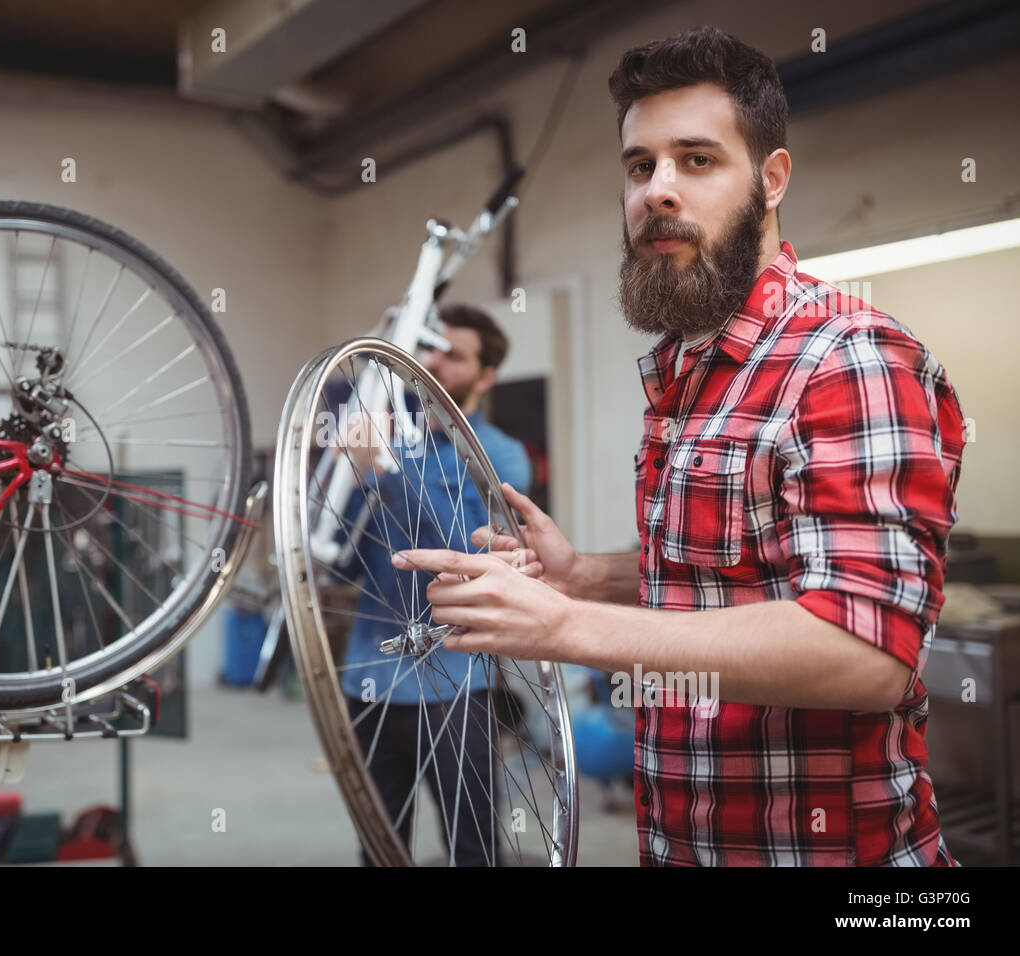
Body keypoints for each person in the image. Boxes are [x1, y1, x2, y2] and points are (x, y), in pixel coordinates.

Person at [393, 26, 965, 867]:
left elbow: (865, 652)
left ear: (771, 180)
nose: (658, 189)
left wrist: (569, 625)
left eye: (697, 160)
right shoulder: (688, 370)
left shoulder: (850, 357)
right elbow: (735, 570)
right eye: (639, 165)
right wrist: (586, 575)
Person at [335, 303, 531, 866]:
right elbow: (345, 566)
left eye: (456, 355)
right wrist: (348, 477)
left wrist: (388, 471)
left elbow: (466, 556)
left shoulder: (501, 458)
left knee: (472, 849)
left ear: (485, 375)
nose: (436, 362)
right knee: (378, 847)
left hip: (455, 687)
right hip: (368, 680)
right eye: (432, 347)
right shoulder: (389, 440)